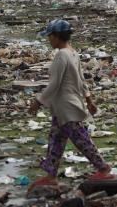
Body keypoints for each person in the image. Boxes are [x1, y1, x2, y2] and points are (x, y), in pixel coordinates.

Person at [28, 19, 111, 190]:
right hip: (66, 106)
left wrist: (38, 101)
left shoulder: (61, 55)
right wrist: (89, 101)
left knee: (81, 139)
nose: (49, 40)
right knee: (55, 140)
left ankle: (103, 168)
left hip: (66, 107)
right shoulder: (73, 53)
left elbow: (54, 83)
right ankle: (51, 175)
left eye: (50, 36)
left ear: (57, 37)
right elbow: (81, 80)